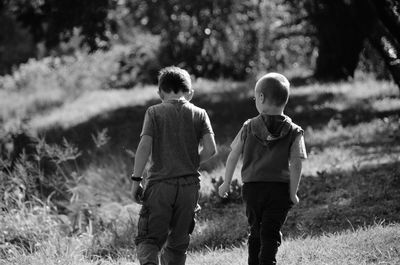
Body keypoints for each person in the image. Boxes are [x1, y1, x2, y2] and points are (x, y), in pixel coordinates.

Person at [218, 73, 307, 265]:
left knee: (256, 230)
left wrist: (226, 182)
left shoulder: (248, 127)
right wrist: (293, 193)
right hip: (280, 190)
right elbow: (296, 163)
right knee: (271, 231)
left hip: (253, 189)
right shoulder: (294, 131)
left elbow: (233, 156)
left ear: (260, 98)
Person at [131, 66, 217, 265]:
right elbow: (211, 149)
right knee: (178, 242)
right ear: (190, 93)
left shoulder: (154, 112)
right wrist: (190, 162)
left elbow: (144, 147)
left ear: (160, 92)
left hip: (161, 186)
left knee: (149, 238)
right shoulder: (200, 113)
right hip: (189, 187)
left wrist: (136, 180)